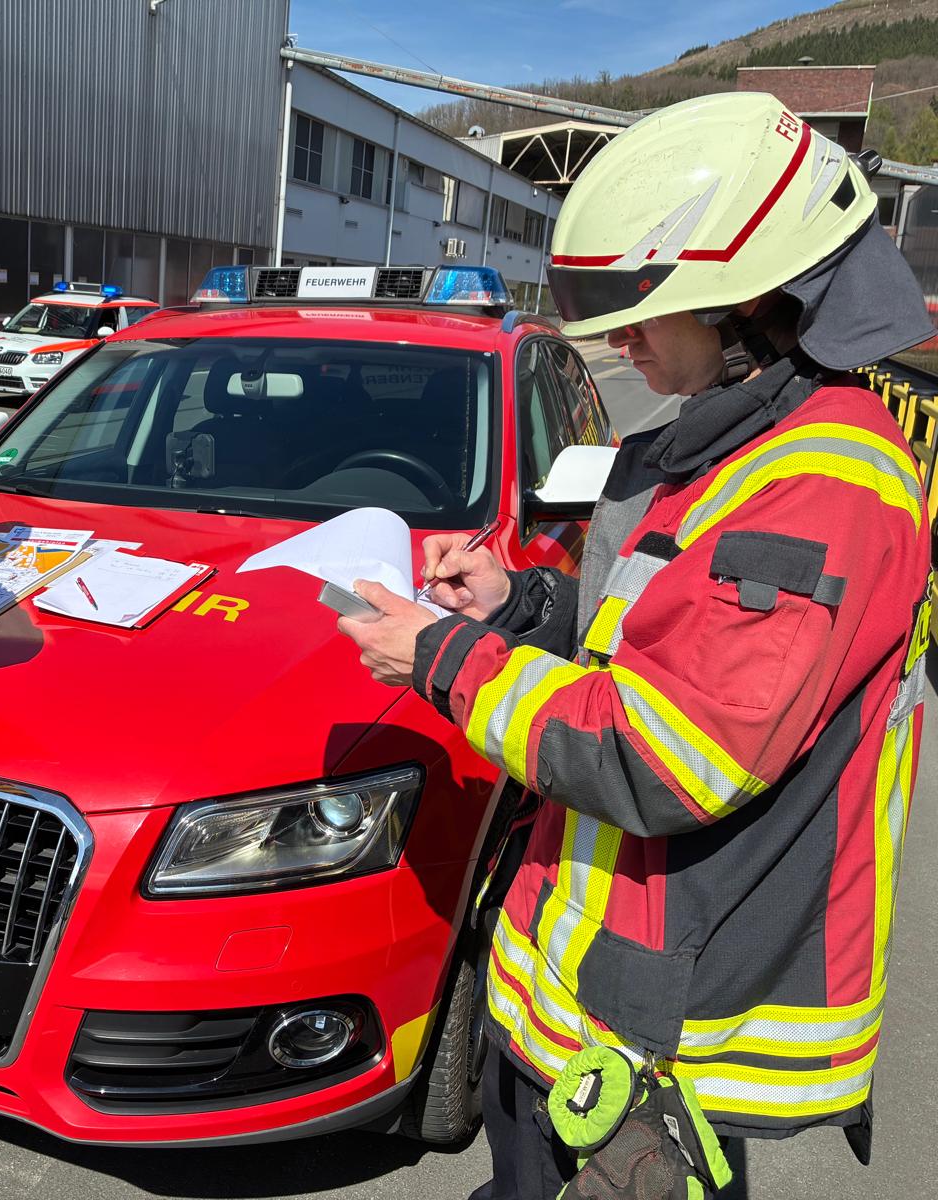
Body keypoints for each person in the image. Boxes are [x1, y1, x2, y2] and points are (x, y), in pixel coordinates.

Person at [336, 92, 933, 1198]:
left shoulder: (822, 488)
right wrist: (513, 607)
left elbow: (663, 752)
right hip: (576, 1003)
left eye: (649, 316)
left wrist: (439, 656)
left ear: (751, 301)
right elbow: (649, 635)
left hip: (660, 1037)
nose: (621, 344)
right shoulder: (732, 444)